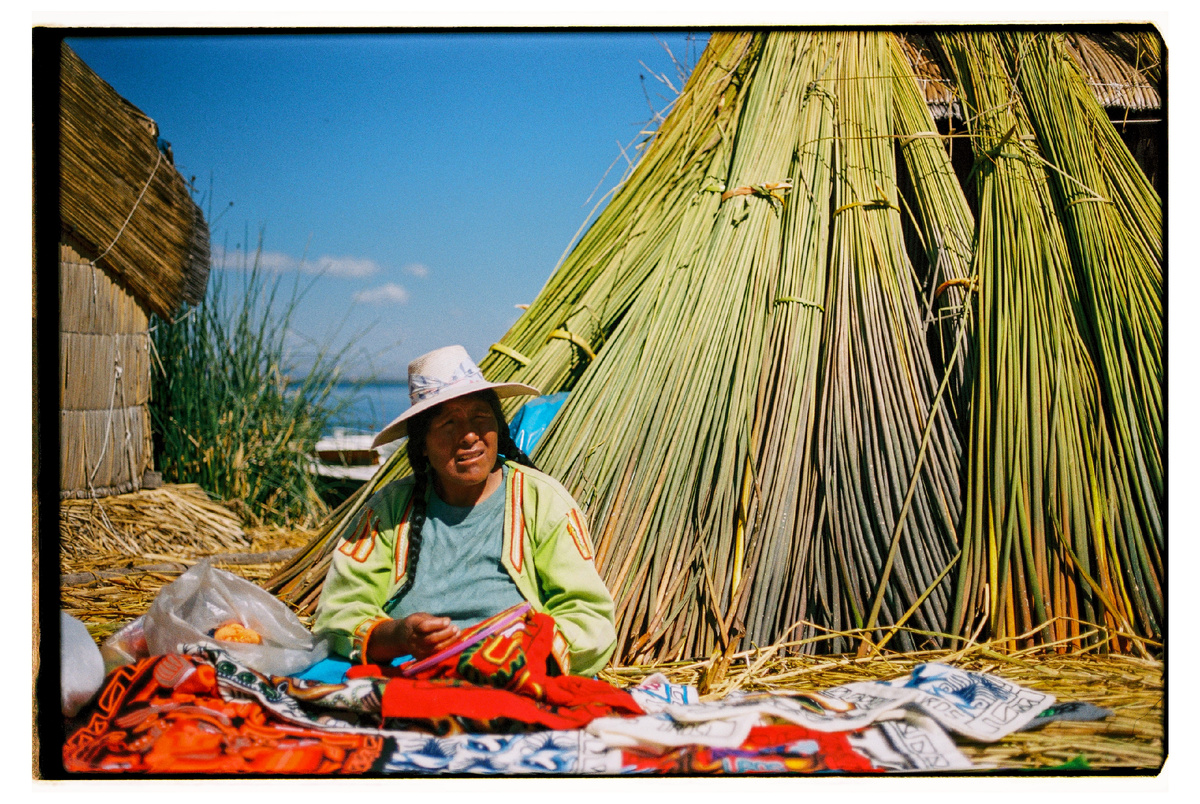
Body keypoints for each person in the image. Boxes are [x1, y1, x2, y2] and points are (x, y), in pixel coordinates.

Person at [314, 345, 617, 677]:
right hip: (410, 676)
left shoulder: (542, 502)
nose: (470, 435)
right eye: (448, 423)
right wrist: (401, 636)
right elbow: (338, 615)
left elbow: (590, 619)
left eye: (480, 417)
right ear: (422, 445)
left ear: (498, 428)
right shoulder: (388, 512)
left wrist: (514, 657)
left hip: (516, 676)